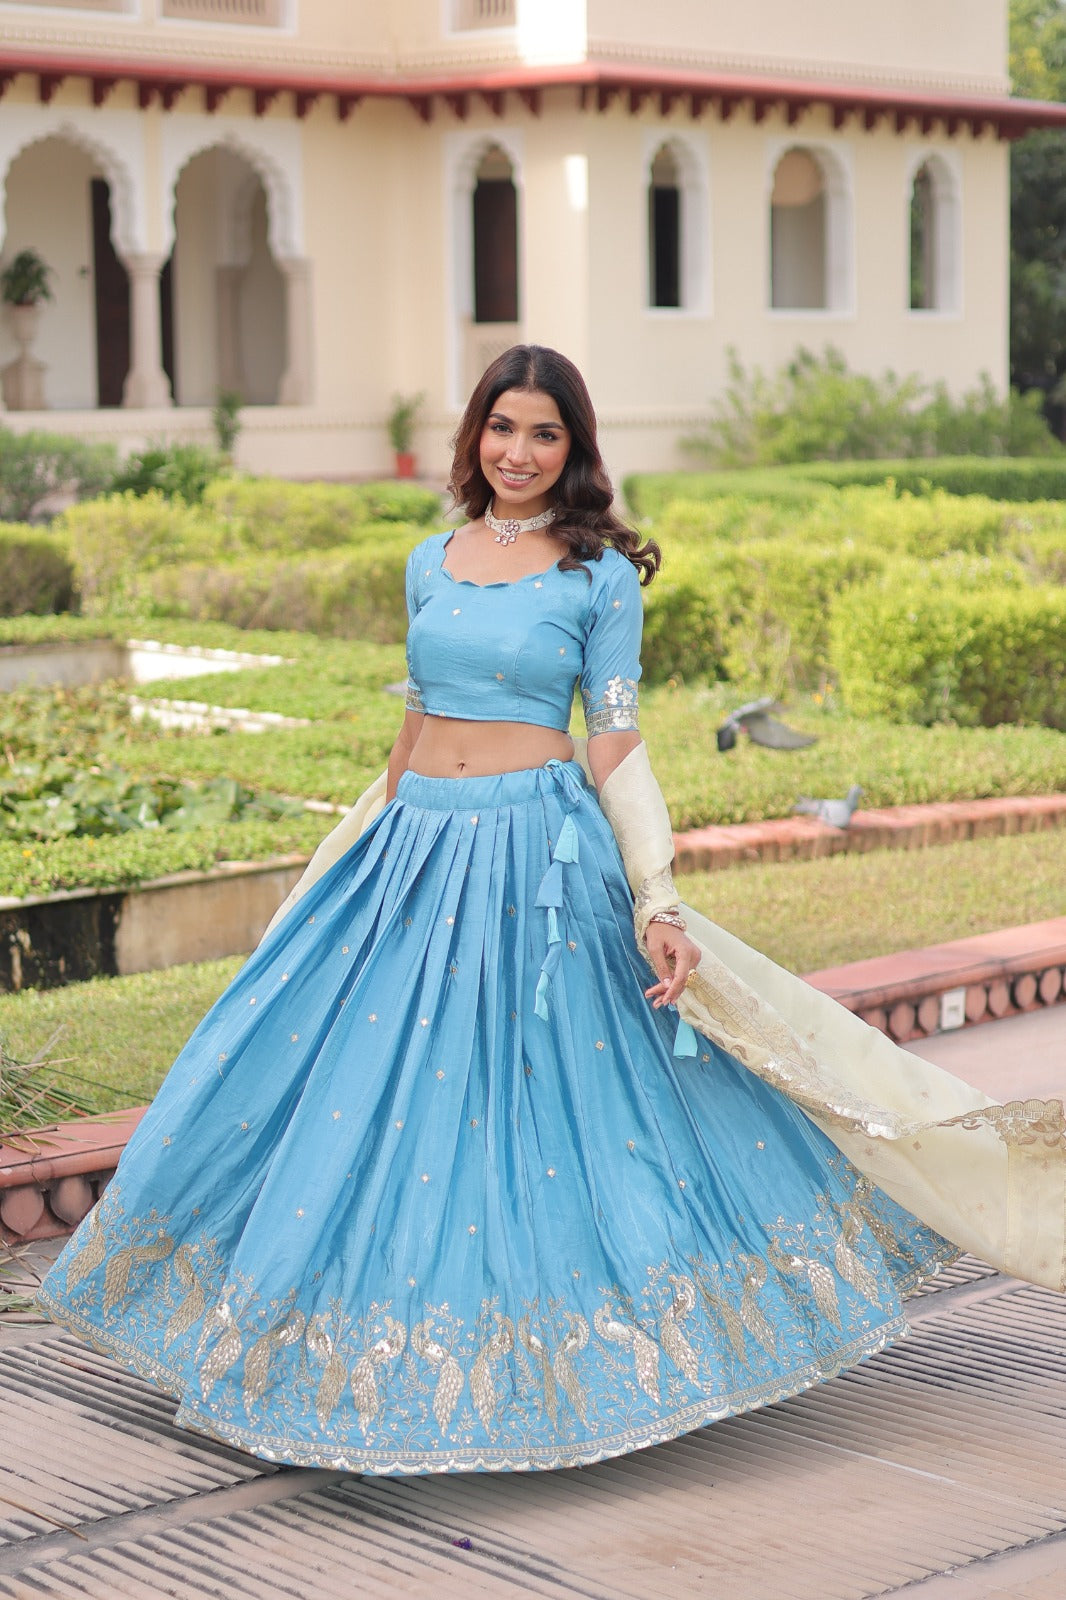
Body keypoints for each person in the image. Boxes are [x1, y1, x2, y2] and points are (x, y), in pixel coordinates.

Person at [39, 345, 1063, 1476]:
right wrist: (352, 857)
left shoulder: (597, 578)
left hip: (533, 854)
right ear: (474, 432)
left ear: (574, 451)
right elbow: (416, 724)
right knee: (340, 1088)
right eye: (501, 427)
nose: (517, 453)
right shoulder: (429, 560)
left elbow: (613, 737)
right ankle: (310, 1342)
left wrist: (657, 896)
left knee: (533, 1102)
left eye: (544, 435)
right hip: (415, 848)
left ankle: (568, 1362)